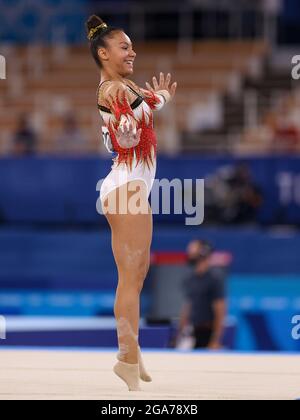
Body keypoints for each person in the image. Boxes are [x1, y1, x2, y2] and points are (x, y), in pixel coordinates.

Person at [86, 15, 177, 391]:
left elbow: (146, 106)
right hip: (127, 187)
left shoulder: (125, 86)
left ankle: (131, 349)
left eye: (132, 46)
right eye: (124, 47)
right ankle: (126, 358)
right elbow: (125, 129)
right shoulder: (110, 91)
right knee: (130, 277)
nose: (132, 52)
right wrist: (123, 137)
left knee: (136, 276)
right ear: (104, 53)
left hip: (129, 186)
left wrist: (164, 97)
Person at [178, 241, 227, 350]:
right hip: (192, 331)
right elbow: (188, 306)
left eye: (192, 250)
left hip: (208, 332)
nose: (189, 253)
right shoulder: (190, 278)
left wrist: (215, 340)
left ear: (202, 252)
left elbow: (220, 311)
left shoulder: (214, 279)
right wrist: (180, 333)